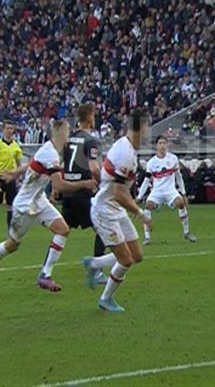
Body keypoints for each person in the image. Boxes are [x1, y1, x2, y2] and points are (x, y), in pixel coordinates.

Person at [0, 120, 97, 292]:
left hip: (39, 200)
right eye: (68, 132)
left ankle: (45, 274)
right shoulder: (50, 154)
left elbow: (32, 163)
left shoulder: (50, 150)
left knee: (63, 230)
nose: (69, 135)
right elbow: (60, 185)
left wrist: (15, 173)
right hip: (25, 205)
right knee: (13, 244)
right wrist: (85, 184)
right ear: (61, 134)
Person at [81, 109, 152, 312]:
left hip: (115, 208)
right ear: (141, 128)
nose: (148, 132)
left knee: (136, 255)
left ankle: (94, 264)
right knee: (125, 260)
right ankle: (105, 299)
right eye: (147, 127)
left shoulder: (127, 147)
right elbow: (118, 192)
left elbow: (119, 190)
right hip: (105, 211)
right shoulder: (125, 153)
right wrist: (140, 213)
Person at [59, 103, 108, 281]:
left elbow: (62, 165)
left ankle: (45, 271)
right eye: (93, 115)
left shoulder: (69, 139)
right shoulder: (90, 140)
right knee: (102, 230)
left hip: (68, 192)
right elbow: (93, 167)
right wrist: (102, 183)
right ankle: (96, 272)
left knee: (61, 232)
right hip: (83, 193)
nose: (95, 119)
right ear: (88, 117)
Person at [137, 135, 197, 245]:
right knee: (148, 205)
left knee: (180, 203)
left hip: (170, 190)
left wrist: (183, 193)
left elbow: (178, 176)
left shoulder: (173, 159)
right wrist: (139, 197)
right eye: (160, 143)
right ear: (156, 146)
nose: (162, 145)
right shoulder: (151, 162)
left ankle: (187, 232)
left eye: (164, 143)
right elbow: (146, 181)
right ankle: (147, 237)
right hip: (157, 191)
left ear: (167, 145)